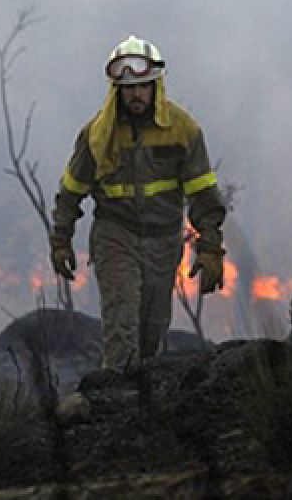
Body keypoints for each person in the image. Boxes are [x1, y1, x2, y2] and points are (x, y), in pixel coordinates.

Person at [49, 34, 227, 371]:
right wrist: (61, 240)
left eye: (143, 85)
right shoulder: (97, 135)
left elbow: (203, 197)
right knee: (122, 324)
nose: (136, 94)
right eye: (128, 87)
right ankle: (116, 405)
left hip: (163, 240)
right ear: (116, 89)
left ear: (156, 85)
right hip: (116, 235)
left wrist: (211, 249)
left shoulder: (183, 130)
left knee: (152, 331)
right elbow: (71, 191)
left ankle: (144, 409)